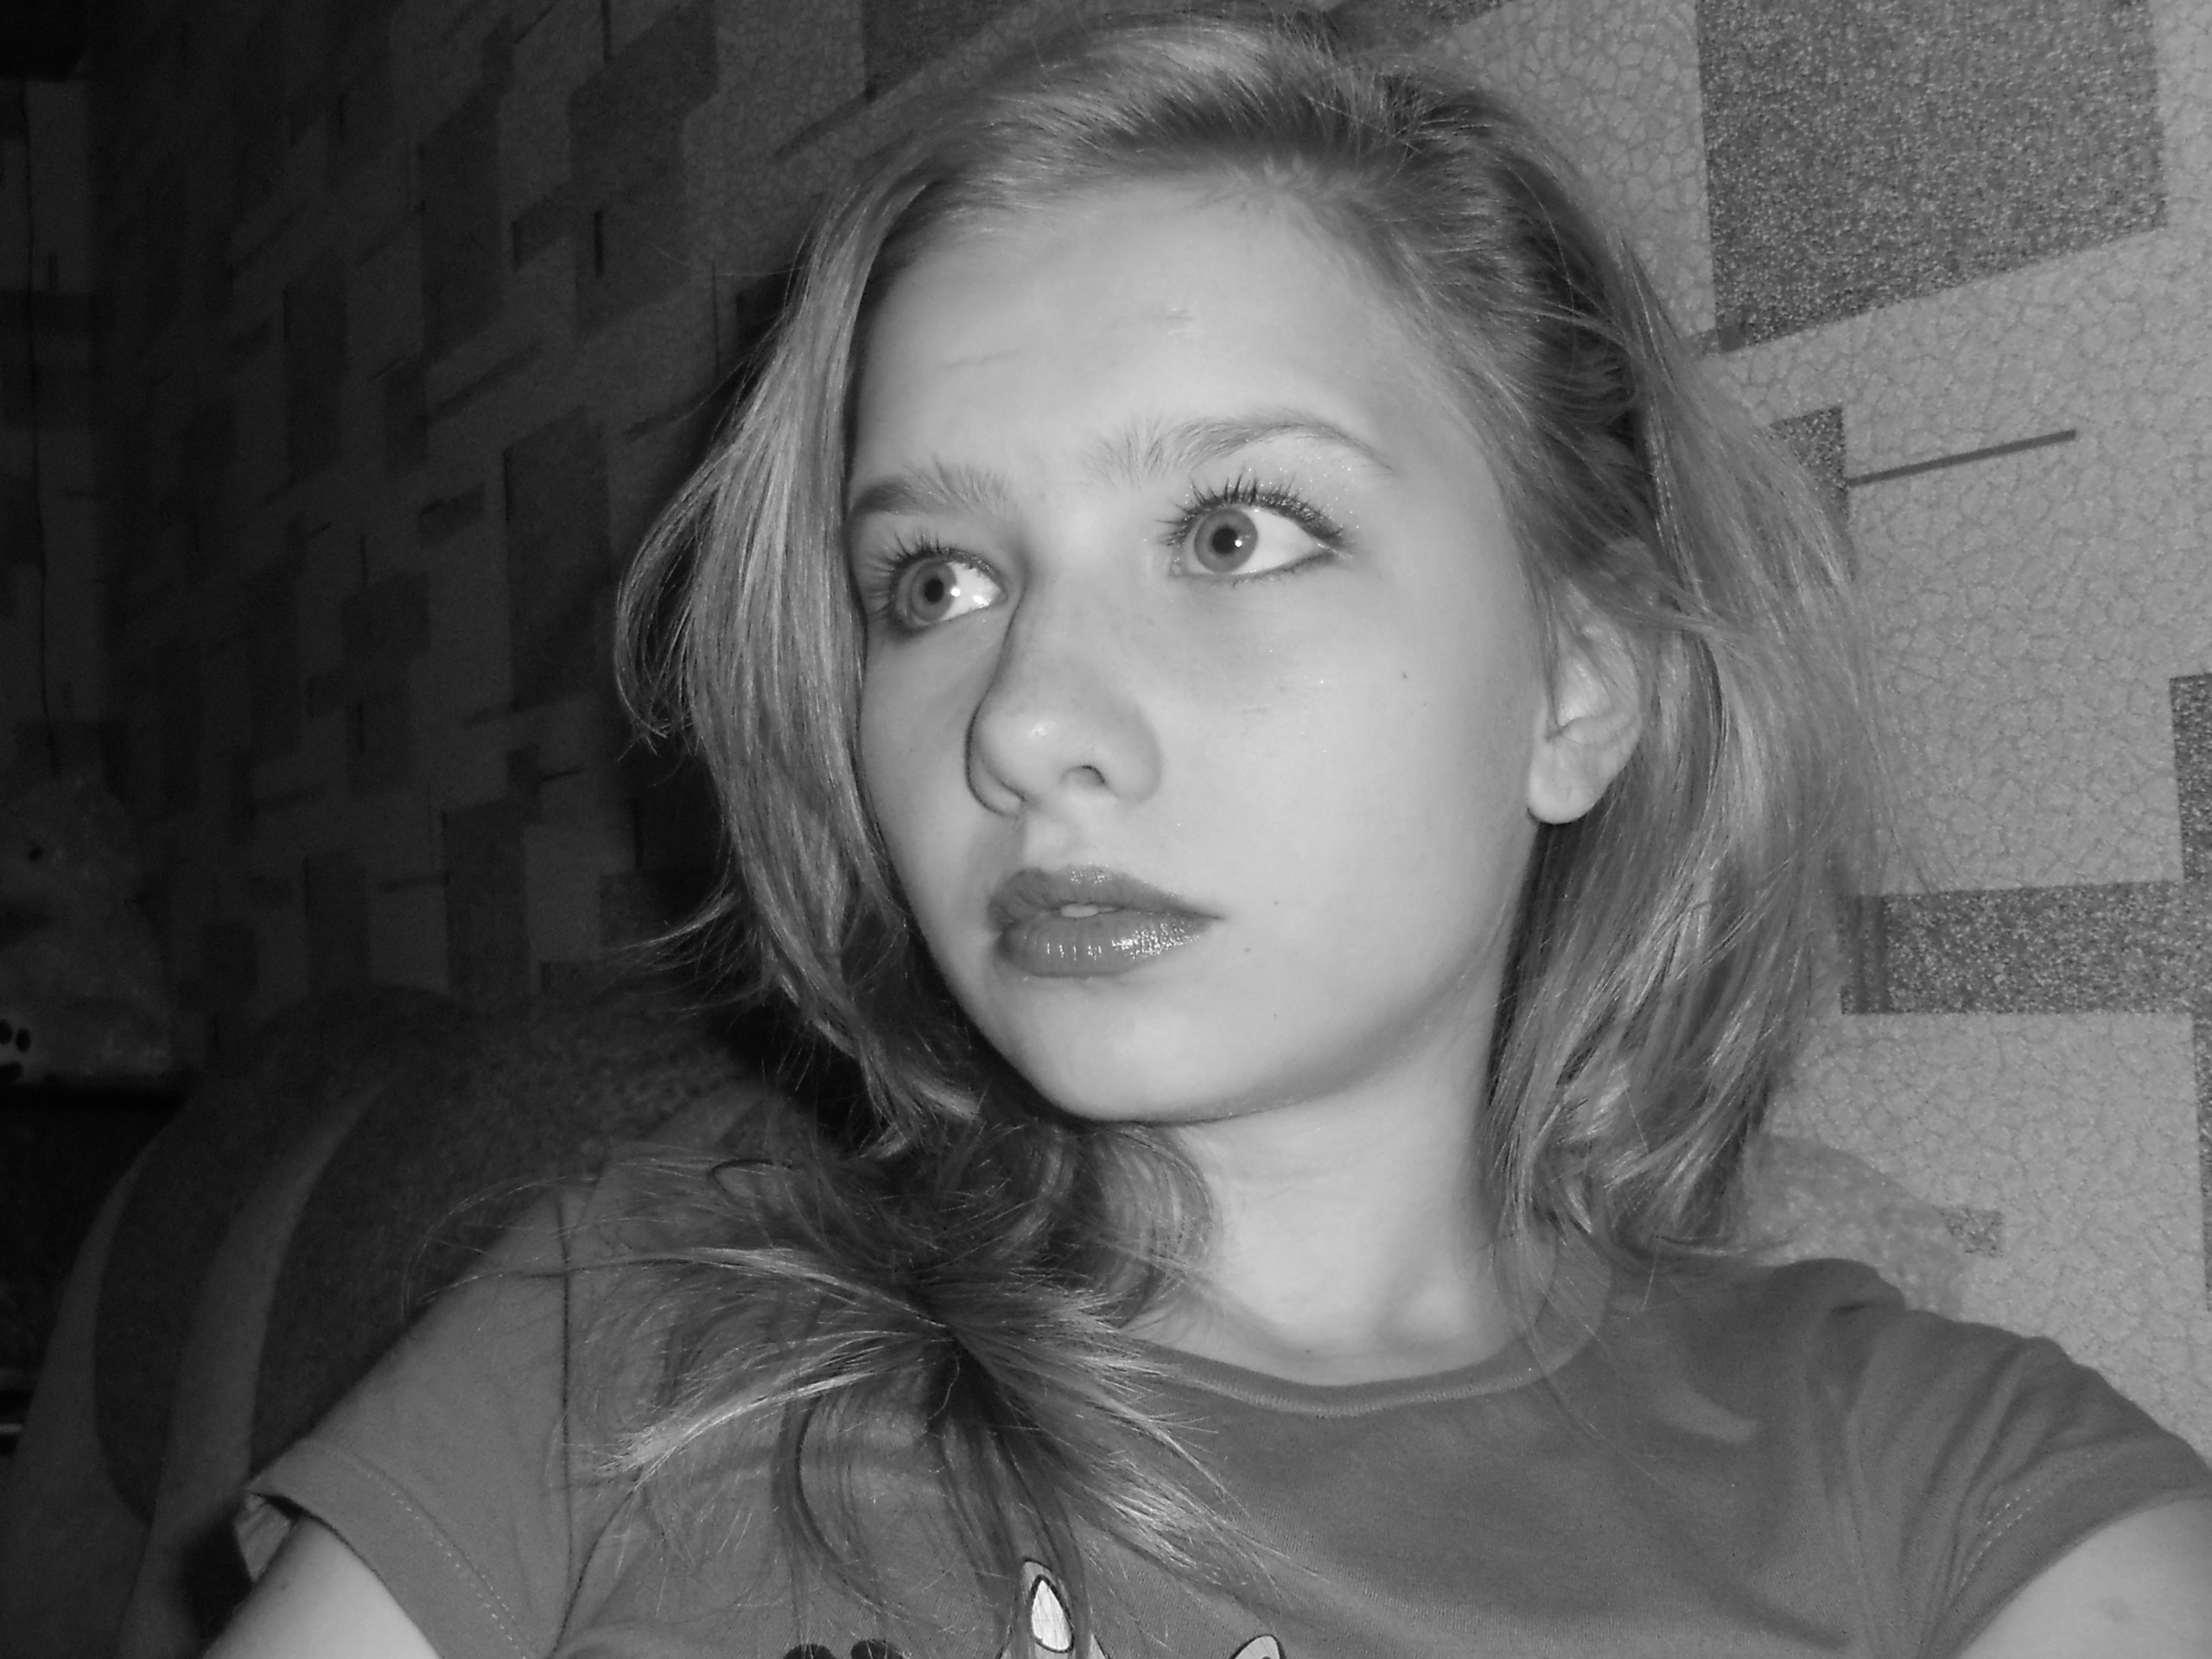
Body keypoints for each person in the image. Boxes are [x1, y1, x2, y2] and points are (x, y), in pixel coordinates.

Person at [212, 10, 2212, 1657]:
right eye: (932, 582)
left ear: (1574, 683)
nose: (1021, 722)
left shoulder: (1939, 1490)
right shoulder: (625, 1335)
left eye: (1234, 531)